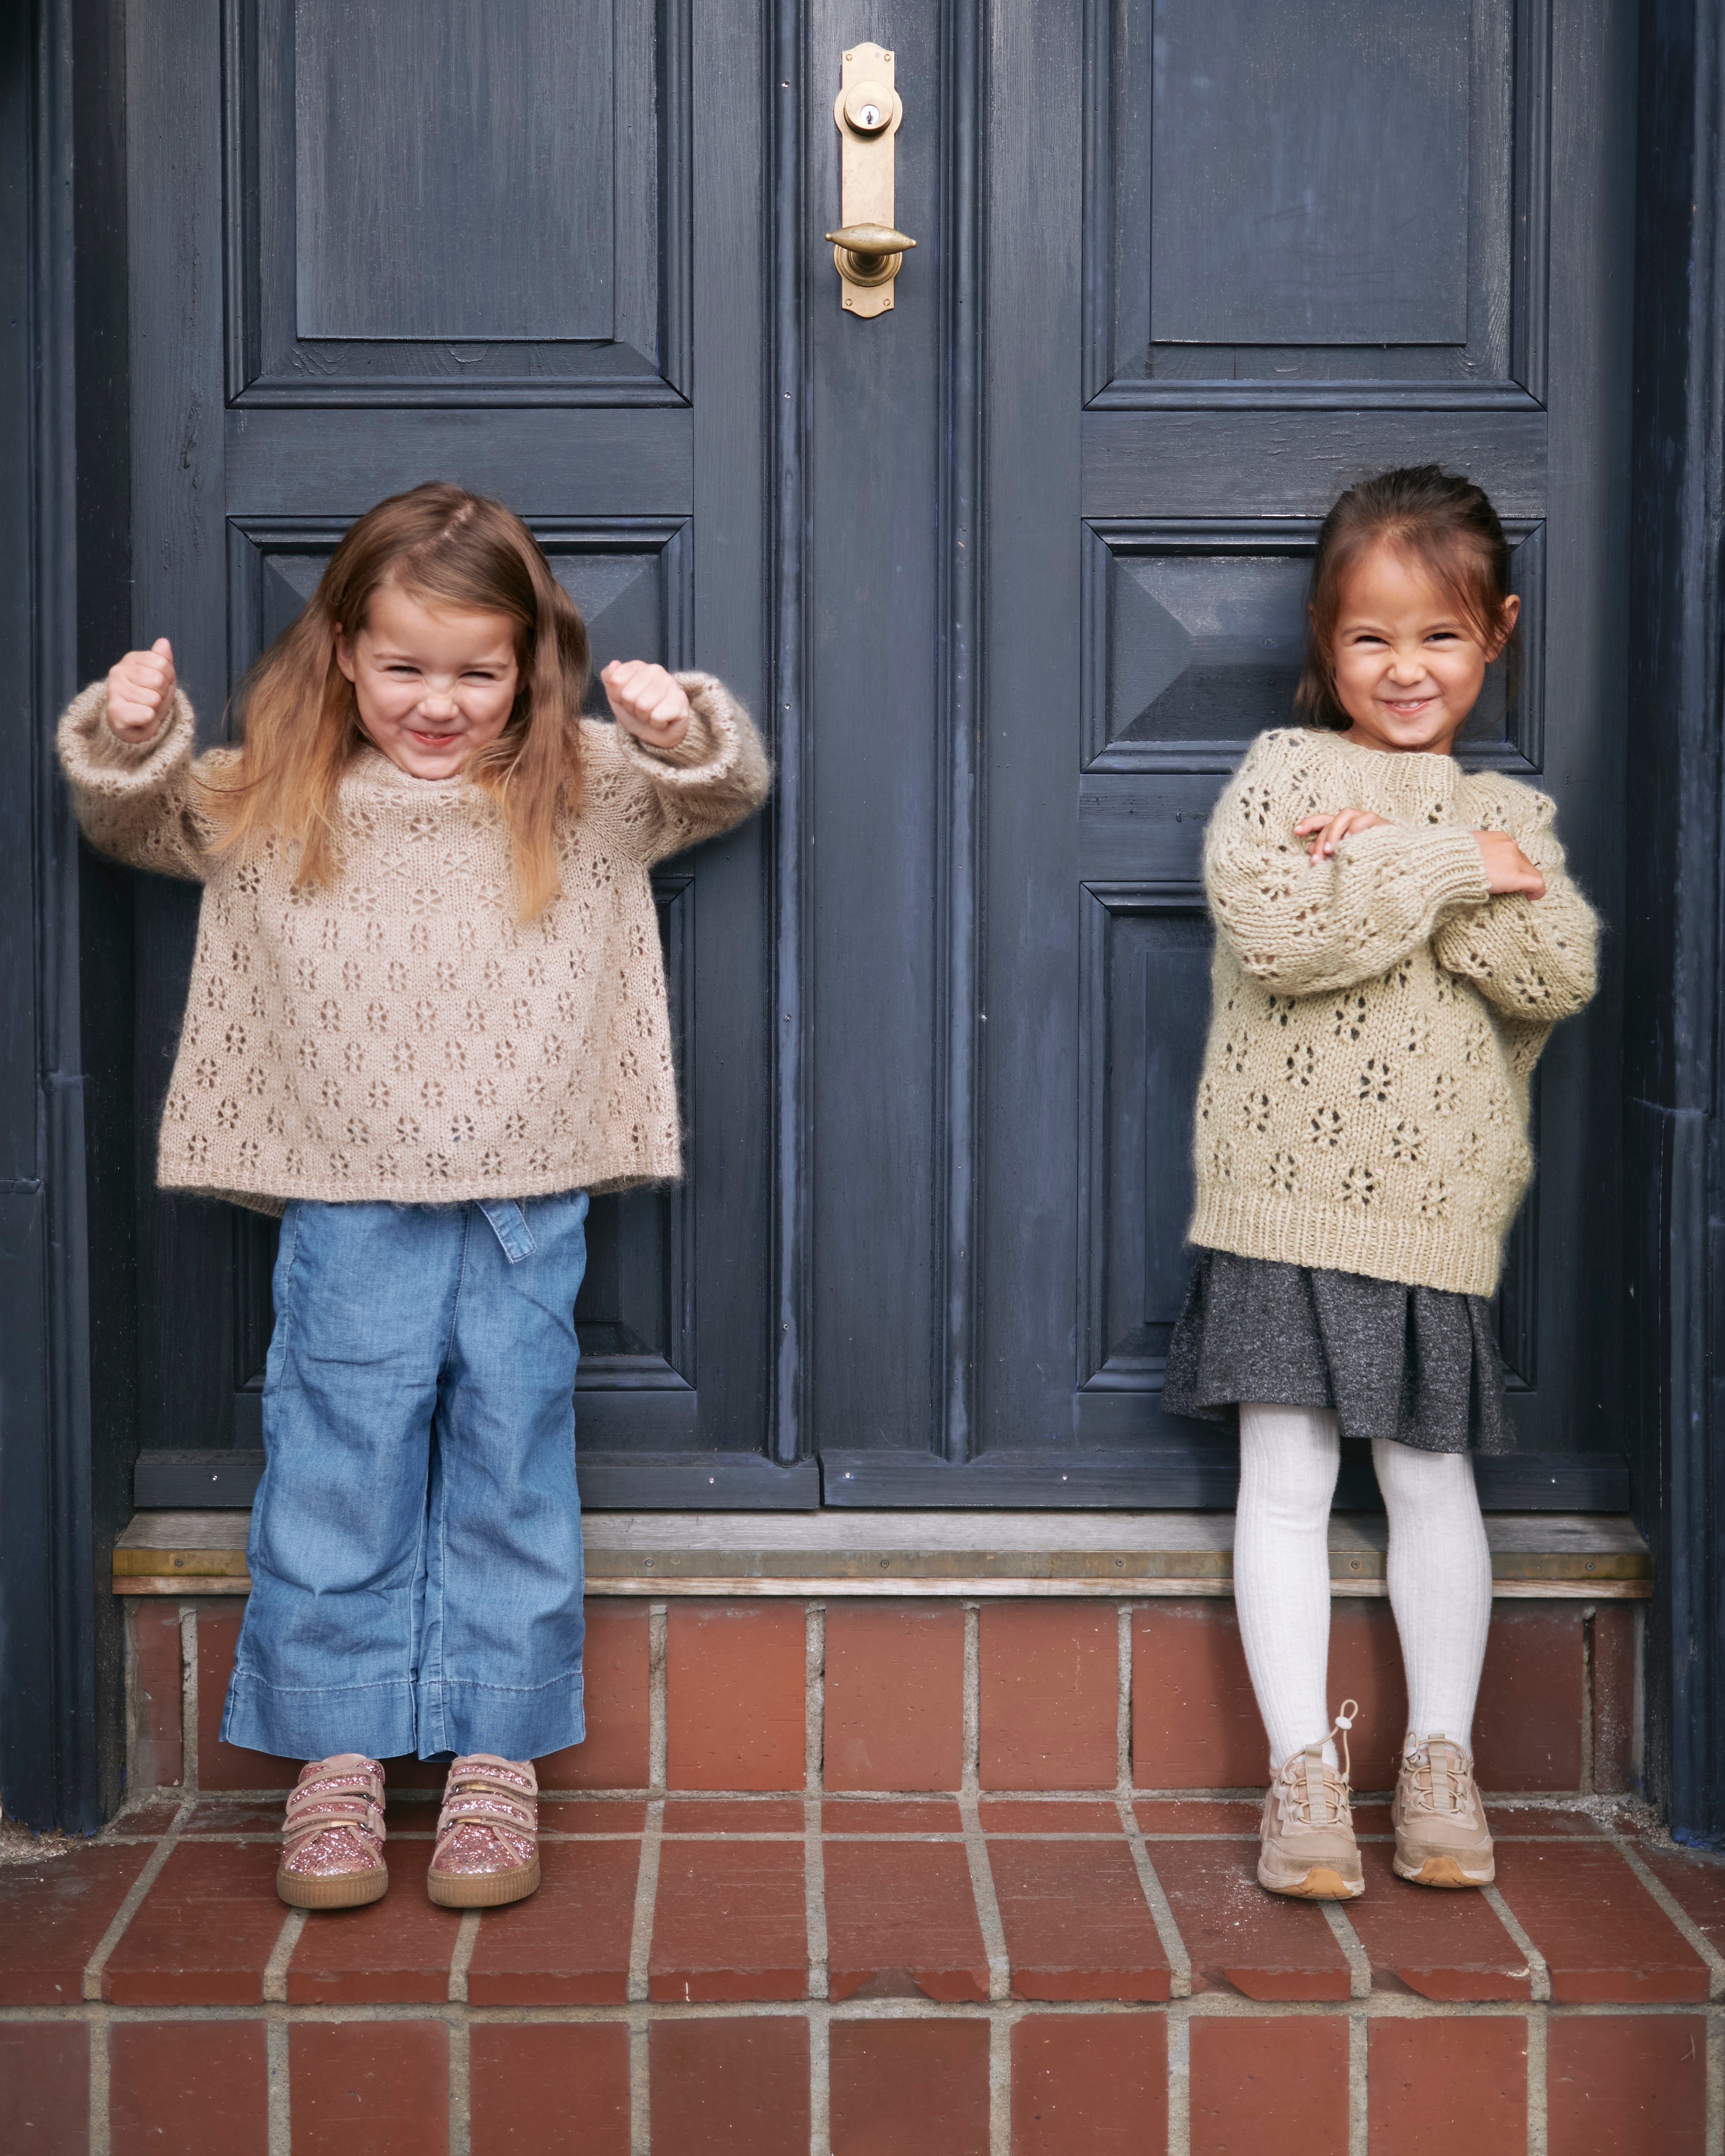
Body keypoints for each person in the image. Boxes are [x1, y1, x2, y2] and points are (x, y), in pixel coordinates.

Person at [59, 482, 770, 1911]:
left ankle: (496, 1751)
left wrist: (681, 727)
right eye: (404, 670)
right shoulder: (282, 789)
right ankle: (337, 1752)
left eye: (476, 674)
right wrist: (128, 744)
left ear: (528, 668)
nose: (438, 705)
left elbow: (717, 793)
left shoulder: (575, 785)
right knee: (341, 1460)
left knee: (513, 1459)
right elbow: (142, 829)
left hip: (527, 1194)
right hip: (348, 1191)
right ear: (341, 654)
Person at [1161, 465, 1596, 1900]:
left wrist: (1428, 864)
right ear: (1323, 641)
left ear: (1500, 634)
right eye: (1371, 639)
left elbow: (1558, 971)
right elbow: (1285, 937)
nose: (1406, 670)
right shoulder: (1285, 780)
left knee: (1429, 1477)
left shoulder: (1511, 812)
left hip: (1432, 1210)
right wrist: (1445, 866)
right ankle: (1302, 1773)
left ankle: (1440, 1760)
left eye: (1442, 639)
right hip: (1282, 1197)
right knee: (1284, 1478)